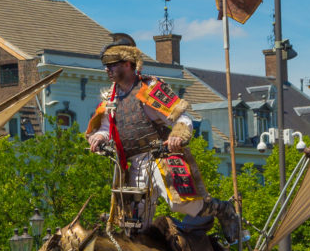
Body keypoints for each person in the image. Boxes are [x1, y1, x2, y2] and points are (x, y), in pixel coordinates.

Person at [85, 36, 238, 239]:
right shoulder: (111, 98)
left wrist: (177, 137)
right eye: (105, 66)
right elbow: (107, 128)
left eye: (111, 65)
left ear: (128, 64)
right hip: (134, 163)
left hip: (161, 156)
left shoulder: (150, 89)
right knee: (134, 223)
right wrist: (99, 137)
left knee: (181, 203)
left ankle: (222, 209)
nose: (107, 70)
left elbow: (181, 118)